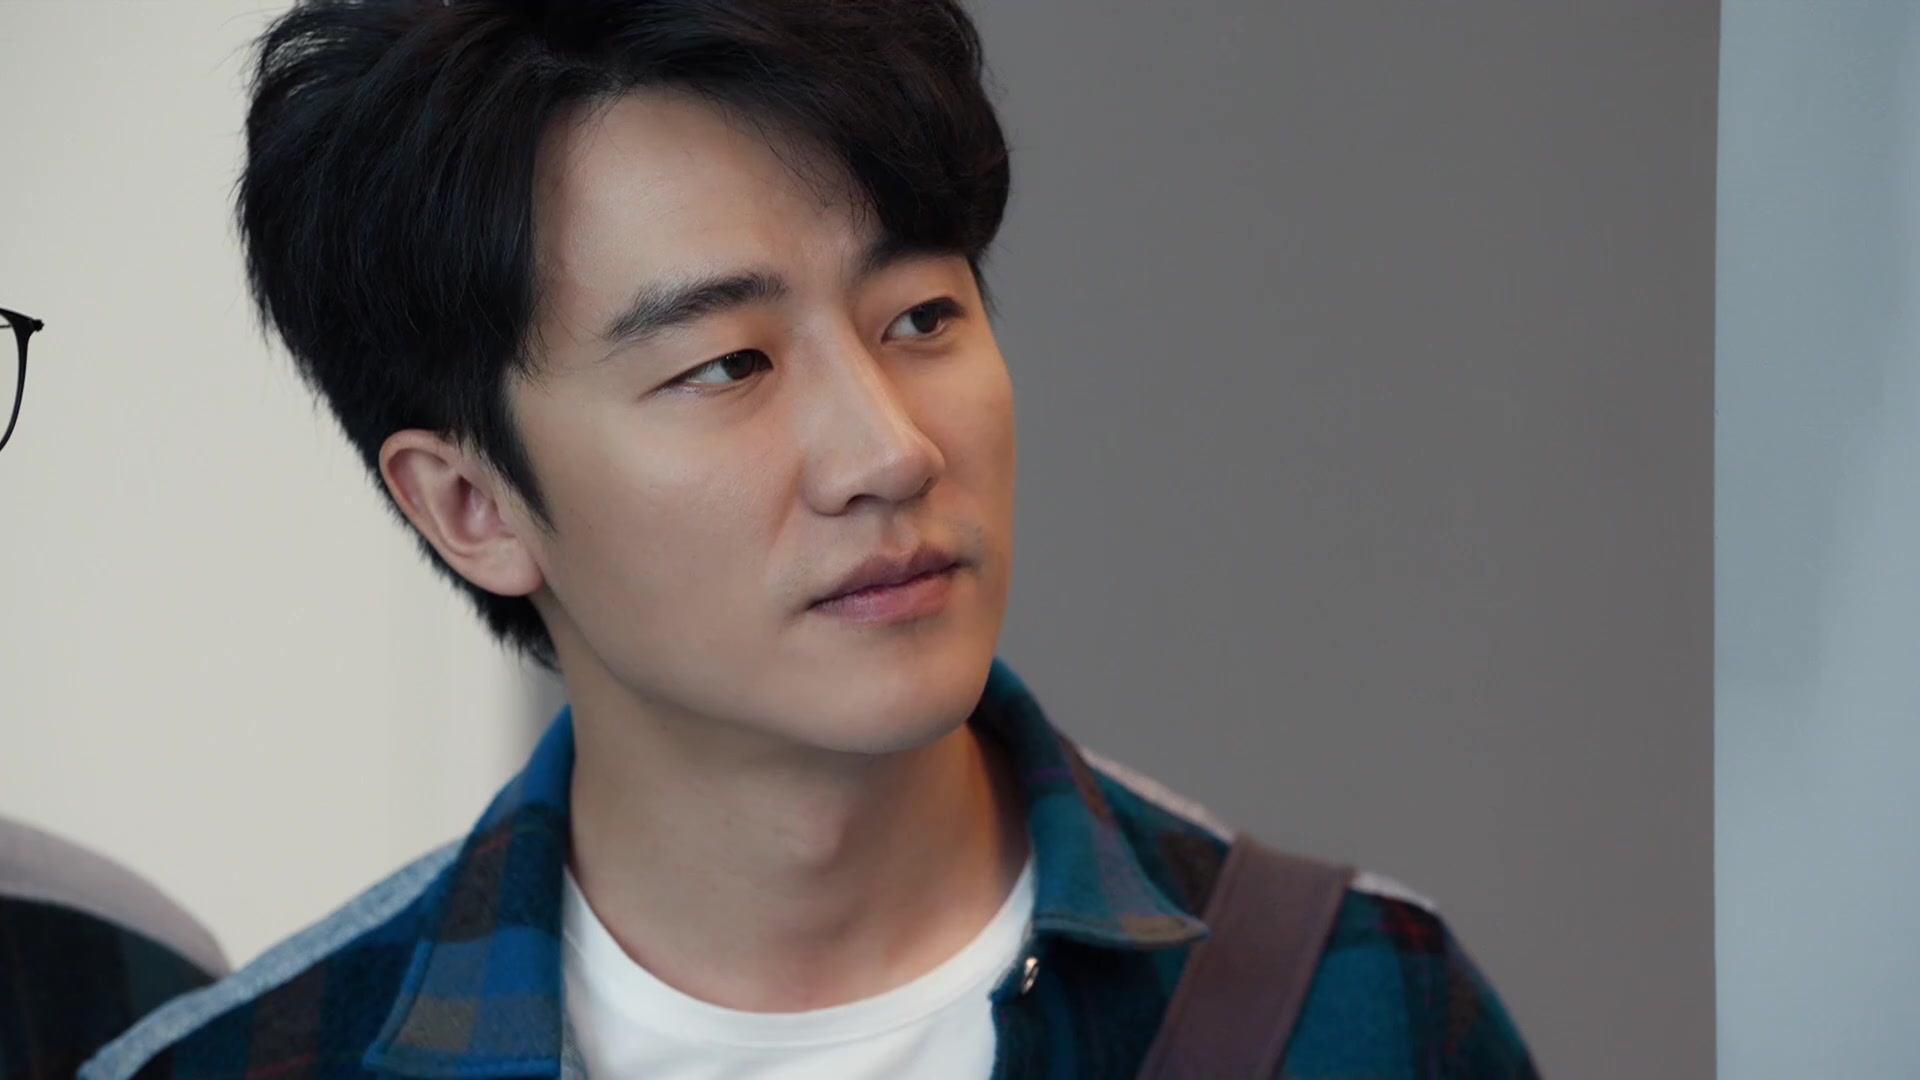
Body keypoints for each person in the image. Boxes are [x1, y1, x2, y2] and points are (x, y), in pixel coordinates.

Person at [84, 1, 1537, 1077]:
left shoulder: (1355, 1010)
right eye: (729, 365)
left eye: (922, 317)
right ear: (472, 506)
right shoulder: (256, 1062)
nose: (888, 451)